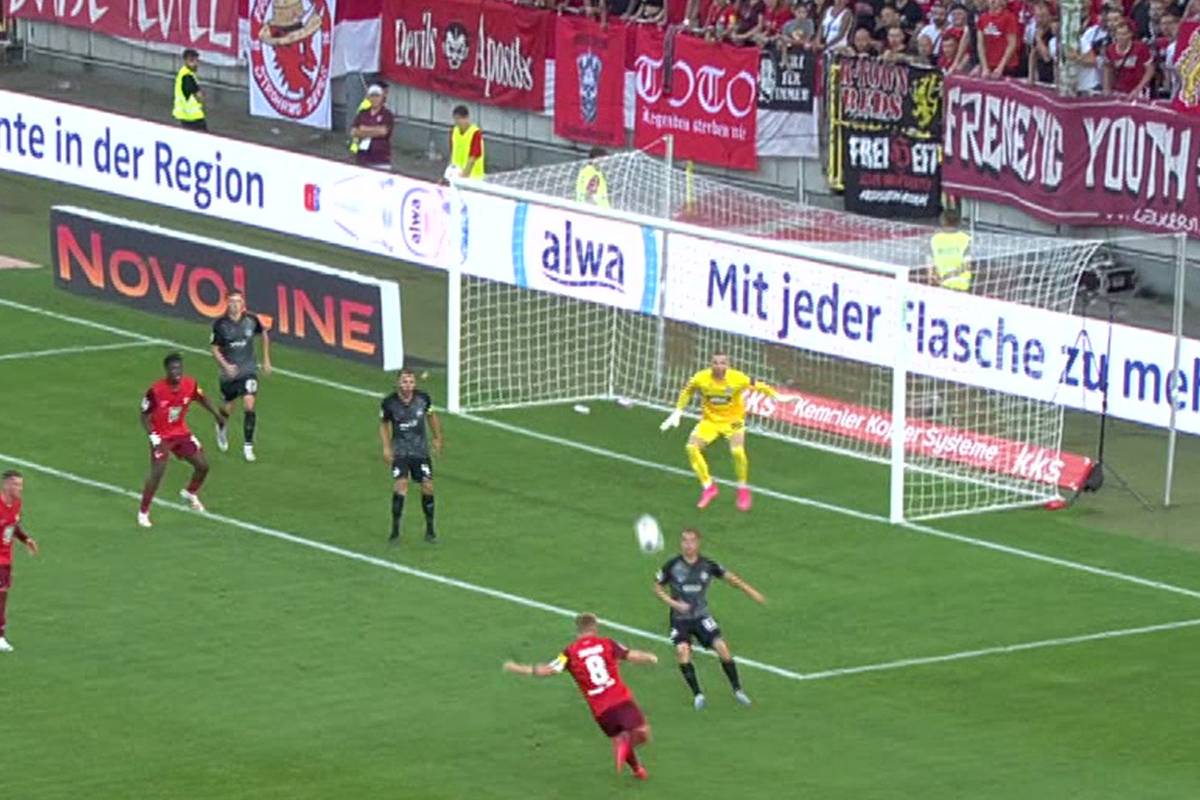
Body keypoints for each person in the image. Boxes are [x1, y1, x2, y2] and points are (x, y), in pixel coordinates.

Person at [502, 613, 658, 780]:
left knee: (619, 736)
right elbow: (630, 655)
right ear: (595, 627)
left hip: (600, 710)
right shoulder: (607, 643)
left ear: (578, 630)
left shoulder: (569, 652)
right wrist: (649, 657)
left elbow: (548, 670)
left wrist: (517, 668)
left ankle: (637, 769)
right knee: (643, 733)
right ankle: (627, 746)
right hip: (620, 699)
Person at [654, 528, 765, 710]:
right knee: (683, 651)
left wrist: (752, 592)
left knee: (722, 647)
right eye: (684, 541)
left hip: (701, 616)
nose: (688, 545)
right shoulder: (672, 566)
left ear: (698, 544)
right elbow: (657, 587)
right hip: (680, 619)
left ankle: (737, 690)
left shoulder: (707, 565)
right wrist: (674, 604)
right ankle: (698, 694)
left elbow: (731, 579)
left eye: (691, 541)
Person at [659, 352, 778, 511]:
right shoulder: (701, 378)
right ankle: (709, 487)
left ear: (727, 365)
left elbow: (759, 385)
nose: (719, 366)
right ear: (711, 364)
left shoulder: (737, 378)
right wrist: (677, 411)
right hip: (710, 421)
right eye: (715, 363)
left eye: (722, 363)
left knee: (737, 451)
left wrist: (778, 396)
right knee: (691, 448)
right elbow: (688, 390)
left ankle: (742, 488)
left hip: (733, 421)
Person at [138, 353, 225, 528]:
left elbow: (202, 398)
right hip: (161, 435)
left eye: (179, 368)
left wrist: (217, 414)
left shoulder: (190, 384)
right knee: (158, 471)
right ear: (167, 371)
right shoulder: (156, 391)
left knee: (203, 466)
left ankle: (189, 493)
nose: (177, 372)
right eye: (173, 369)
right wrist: (154, 437)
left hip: (180, 432)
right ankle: (143, 512)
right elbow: (144, 416)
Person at [379, 369, 444, 543]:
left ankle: (430, 530)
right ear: (398, 383)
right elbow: (384, 425)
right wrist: (386, 447)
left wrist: (437, 437)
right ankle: (395, 531)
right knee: (401, 485)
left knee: (428, 486)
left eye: (411, 382)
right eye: (405, 382)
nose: (408, 385)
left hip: (420, 452)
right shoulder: (389, 403)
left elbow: (431, 416)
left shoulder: (423, 399)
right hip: (400, 452)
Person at [211, 290, 272, 462]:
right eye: (231, 301)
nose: (234, 305)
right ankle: (221, 426)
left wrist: (266, 360)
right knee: (227, 408)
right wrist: (226, 366)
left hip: (248, 371)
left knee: (249, 404)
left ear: (243, 303)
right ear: (227, 303)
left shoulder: (251, 320)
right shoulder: (220, 325)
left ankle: (248, 446)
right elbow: (215, 349)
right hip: (229, 374)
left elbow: (264, 334)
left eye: (237, 301)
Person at [0, 469, 39, 653]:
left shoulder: (16, 504)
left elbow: (13, 524)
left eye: (21, 485)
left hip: (6, 558)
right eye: (16, 484)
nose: (19, 489)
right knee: (1, 594)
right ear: (6, 485)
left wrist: (26, 539)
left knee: (3, 595)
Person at [1104, 18, 1155, 97]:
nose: (1121, 37)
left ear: (1130, 34)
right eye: (1119, 34)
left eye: (1124, 34)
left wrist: (1139, 88)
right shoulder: (1110, 50)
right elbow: (1108, 69)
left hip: (1138, 90)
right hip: (1119, 90)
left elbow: (1150, 70)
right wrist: (1107, 88)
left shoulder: (1140, 48)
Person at [350, 84, 395, 170]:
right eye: (372, 96)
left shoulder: (387, 114)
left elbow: (383, 131)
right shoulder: (362, 113)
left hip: (380, 159)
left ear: (382, 97)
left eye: (377, 96)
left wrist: (364, 129)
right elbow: (353, 131)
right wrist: (375, 131)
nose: (375, 99)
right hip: (362, 158)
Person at [929, 207, 974, 292]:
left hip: (943, 285)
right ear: (959, 222)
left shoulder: (935, 239)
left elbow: (931, 266)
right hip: (962, 285)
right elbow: (967, 265)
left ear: (942, 221)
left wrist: (940, 279)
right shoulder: (966, 238)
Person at [976, 0, 1021, 78]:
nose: (993, 1)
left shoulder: (1009, 17)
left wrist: (1000, 67)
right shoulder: (982, 18)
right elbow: (980, 44)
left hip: (1007, 65)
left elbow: (1012, 44)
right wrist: (984, 66)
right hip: (989, 64)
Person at [447, 105, 485, 180]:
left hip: (473, 177)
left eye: (459, 119)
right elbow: (452, 152)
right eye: (455, 119)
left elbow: (473, 157)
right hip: (455, 174)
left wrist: (464, 176)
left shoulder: (475, 133)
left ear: (467, 118)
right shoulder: (454, 131)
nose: (457, 122)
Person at [172, 48, 207, 131]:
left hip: (184, 115)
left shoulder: (182, 72)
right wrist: (203, 95)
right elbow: (200, 97)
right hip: (193, 117)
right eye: (192, 61)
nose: (195, 64)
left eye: (196, 61)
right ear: (186, 61)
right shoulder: (188, 77)